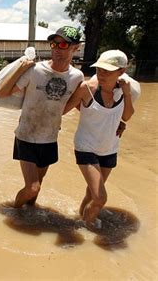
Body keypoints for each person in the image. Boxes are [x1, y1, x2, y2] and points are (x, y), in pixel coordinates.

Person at [0, 26, 84, 208]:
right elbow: (1, 92)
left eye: (63, 44)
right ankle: (16, 212)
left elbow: (72, 106)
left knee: (38, 187)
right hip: (26, 135)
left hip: (50, 138)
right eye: (54, 44)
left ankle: (30, 215)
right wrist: (21, 68)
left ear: (76, 48)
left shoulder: (77, 77)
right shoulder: (34, 70)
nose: (57, 49)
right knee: (33, 187)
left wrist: (117, 122)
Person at [63, 50, 134, 228]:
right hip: (85, 147)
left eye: (108, 71)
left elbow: (127, 116)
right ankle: (87, 230)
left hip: (109, 148)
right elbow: (62, 110)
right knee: (100, 197)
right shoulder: (86, 89)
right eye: (100, 69)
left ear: (122, 71)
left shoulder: (125, 91)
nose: (102, 74)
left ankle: (81, 217)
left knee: (92, 193)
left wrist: (126, 93)